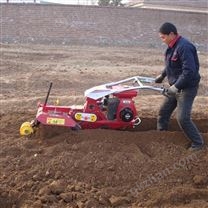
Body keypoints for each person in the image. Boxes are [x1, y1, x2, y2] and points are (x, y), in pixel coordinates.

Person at [155, 22, 204, 151]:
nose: (162, 40)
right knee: (163, 113)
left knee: (183, 118)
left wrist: (176, 87)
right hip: (175, 86)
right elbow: (171, 64)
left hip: (187, 88)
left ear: (171, 34)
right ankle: (161, 136)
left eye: (163, 37)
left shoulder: (185, 47)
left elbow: (189, 71)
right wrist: (162, 75)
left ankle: (198, 143)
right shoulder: (171, 47)